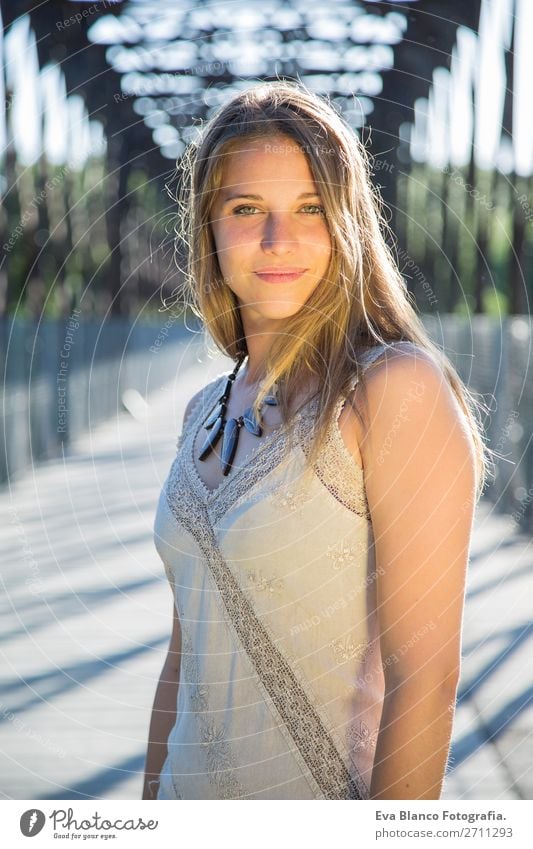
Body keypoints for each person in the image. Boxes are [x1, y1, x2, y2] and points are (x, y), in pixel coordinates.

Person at [142, 80, 492, 801]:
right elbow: (184, 661)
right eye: (247, 210)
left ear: (347, 224)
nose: (278, 241)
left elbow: (424, 679)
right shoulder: (200, 412)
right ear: (207, 227)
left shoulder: (391, 391)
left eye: (309, 208)